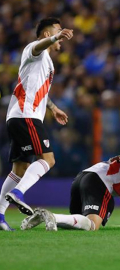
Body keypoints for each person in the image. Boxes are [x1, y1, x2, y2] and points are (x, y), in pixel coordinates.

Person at [0, 18, 73, 231]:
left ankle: (0, 215)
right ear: (45, 34)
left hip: (19, 115)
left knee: (19, 168)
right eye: (58, 31)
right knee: (48, 159)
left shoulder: (46, 62)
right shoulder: (34, 49)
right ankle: (18, 193)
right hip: (26, 116)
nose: (61, 36)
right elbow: (39, 45)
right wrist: (55, 37)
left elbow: (38, 89)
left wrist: (52, 107)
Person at [21, 155, 120, 231]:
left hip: (82, 177)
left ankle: (45, 217)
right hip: (97, 182)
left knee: (77, 223)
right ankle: (52, 216)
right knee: (92, 225)